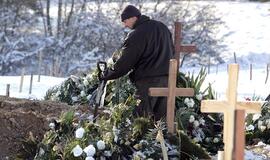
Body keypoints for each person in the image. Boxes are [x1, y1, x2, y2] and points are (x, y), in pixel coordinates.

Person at [100, 5, 174, 120]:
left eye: (125, 21)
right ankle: (165, 138)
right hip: (167, 80)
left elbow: (125, 63)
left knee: (140, 121)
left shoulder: (137, 34)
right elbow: (172, 51)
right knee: (161, 121)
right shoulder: (162, 28)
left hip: (147, 82)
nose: (125, 25)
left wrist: (107, 74)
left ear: (133, 17)